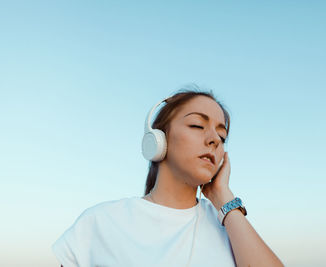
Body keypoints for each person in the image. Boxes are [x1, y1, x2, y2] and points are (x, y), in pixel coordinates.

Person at [52, 87, 284, 267]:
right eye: (196, 125)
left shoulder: (230, 227)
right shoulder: (100, 221)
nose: (214, 139)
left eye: (222, 136)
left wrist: (224, 199)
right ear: (158, 140)